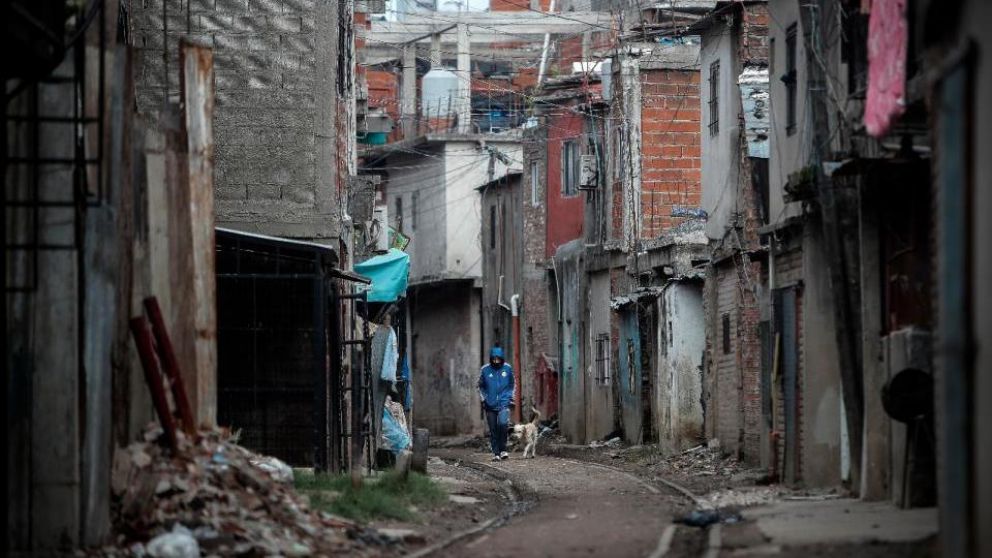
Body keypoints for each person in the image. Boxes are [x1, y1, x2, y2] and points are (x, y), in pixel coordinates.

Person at [478, 346, 515, 461]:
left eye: (498, 358)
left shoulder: (507, 368)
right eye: (494, 359)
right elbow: (480, 386)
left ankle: (503, 450)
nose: (496, 361)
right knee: (493, 429)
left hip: (504, 403)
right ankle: (496, 453)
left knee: (503, 425)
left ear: (502, 358)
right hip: (490, 404)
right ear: (491, 359)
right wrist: (484, 399)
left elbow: (512, 384)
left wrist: (509, 396)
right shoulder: (485, 370)